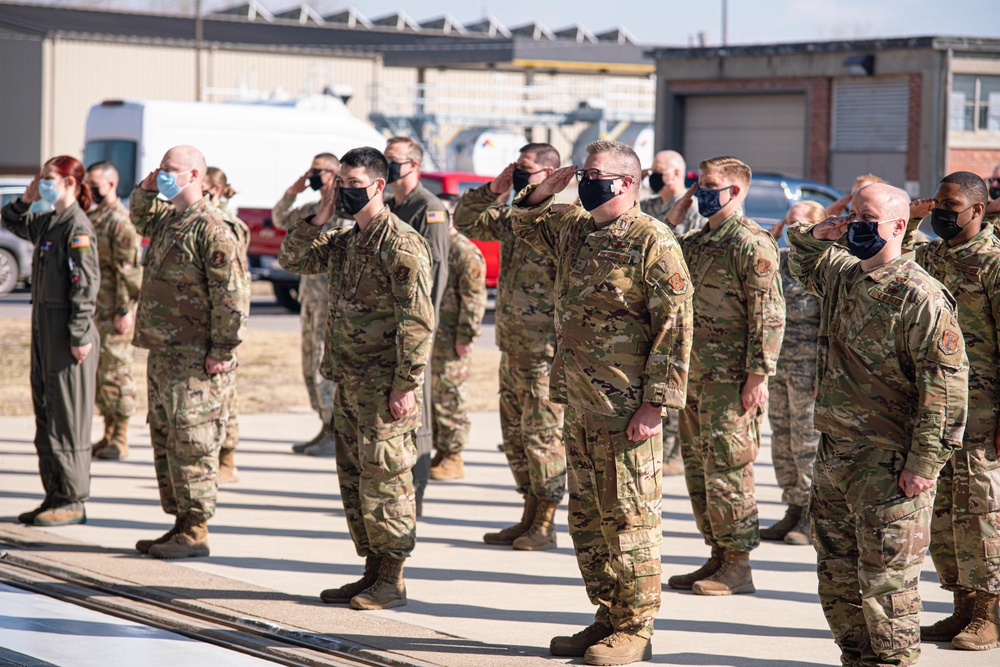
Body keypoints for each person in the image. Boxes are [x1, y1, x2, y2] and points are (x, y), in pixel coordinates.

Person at [513, 140, 693, 665]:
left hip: (627, 407)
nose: (583, 181)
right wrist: (539, 192)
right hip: (580, 401)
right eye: (583, 173)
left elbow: (675, 328)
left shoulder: (651, 240)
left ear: (628, 183)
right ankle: (607, 615)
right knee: (588, 520)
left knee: (630, 519)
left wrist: (655, 404)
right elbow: (519, 227)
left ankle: (636, 628)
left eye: (594, 174)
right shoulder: (574, 227)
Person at [789, 183, 969, 666]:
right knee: (838, 577)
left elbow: (946, 391)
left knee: (887, 587)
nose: (858, 227)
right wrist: (821, 231)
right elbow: (800, 261)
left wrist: (924, 464)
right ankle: (857, 658)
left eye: (868, 219)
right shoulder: (844, 275)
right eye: (853, 216)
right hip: (835, 455)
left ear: (897, 226)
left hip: (888, 463)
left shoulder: (921, 296)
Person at [279, 146, 434, 610]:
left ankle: (392, 578)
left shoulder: (401, 244)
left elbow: (418, 321)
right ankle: (371, 571)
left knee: (387, 481)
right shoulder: (346, 239)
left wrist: (405, 385)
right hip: (350, 382)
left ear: (378, 186)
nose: (344, 191)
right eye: (339, 184)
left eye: (351, 185)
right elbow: (292, 257)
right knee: (355, 482)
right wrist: (321, 214)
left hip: (386, 388)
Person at [666, 156, 785, 597]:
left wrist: (758, 375)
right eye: (698, 183)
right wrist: (673, 217)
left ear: (736, 191)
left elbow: (768, 315)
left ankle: (738, 565)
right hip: (695, 376)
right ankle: (716, 554)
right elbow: (666, 263)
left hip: (732, 381)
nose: (700, 191)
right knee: (700, 471)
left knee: (730, 470)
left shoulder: (751, 243)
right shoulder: (700, 241)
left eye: (709, 184)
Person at [130, 145, 249, 559]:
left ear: (196, 175)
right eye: (161, 168)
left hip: (197, 356)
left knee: (193, 441)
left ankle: (195, 529)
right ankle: (180, 522)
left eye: (172, 170)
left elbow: (232, 296)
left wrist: (222, 348)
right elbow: (140, 217)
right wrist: (147, 189)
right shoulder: (170, 219)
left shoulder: (213, 227)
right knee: (165, 438)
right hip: (164, 350)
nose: (163, 174)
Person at [453, 143, 566, 551]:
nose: (518, 174)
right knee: (515, 436)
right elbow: (465, 220)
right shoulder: (512, 216)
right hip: (513, 345)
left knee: (542, 436)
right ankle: (528, 513)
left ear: (550, 174)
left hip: (545, 351)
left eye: (526, 169)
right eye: (516, 168)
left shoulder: (560, 220)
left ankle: (547, 521)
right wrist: (495, 187)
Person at [914, 172, 1000, 651]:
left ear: (978, 211)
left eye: (951, 205)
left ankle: (989, 613)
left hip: (982, 410)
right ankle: (961, 606)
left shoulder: (993, 264)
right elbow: (890, 258)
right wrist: (910, 218)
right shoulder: (929, 257)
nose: (942, 212)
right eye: (938, 204)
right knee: (943, 513)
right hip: (934, 411)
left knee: (980, 511)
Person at [2, 156, 100, 527]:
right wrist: (26, 199)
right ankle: (54, 494)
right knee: (46, 412)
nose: (43, 184)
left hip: (67, 332)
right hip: (45, 328)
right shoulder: (48, 223)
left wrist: (77, 334)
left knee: (68, 417)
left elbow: (86, 284)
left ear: (71, 184)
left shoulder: (77, 227)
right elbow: (10, 220)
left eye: (49, 179)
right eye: (42, 179)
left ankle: (73, 499)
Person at [383, 137, 450, 513]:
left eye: (395, 160)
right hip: (389, 323)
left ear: (414, 164)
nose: (389, 166)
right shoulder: (393, 205)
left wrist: (424, 327)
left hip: (414, 326)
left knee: (415, 410)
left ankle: (417, 492)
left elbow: (435, 273)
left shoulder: (429, 208)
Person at [272, 153, 347, 457]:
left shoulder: (345, 213)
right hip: (311, 302)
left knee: (324, 366)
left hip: (333, 305)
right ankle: (324, 425)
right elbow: (279, 218)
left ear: (335, 174)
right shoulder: (311, 210)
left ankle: (335, 431)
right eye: (311, 170)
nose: (314, 175)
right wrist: (294, 190)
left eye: (319, 171)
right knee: (308, 367)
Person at [640, 149, 707, 477]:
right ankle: (659, 449)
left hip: (679, 303)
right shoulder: (649, 205)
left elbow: (685, 252)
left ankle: (674, 454)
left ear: (678, 174)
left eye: (660, 173)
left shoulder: (694, 210)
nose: (654, 177)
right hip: (648, 303)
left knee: (677, 377)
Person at [762, 201, 824, 545]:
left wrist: (823, 374)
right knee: (782, 439)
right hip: (778, 364)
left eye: (799, 224)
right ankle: (793, 507)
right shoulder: (781, 261)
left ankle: (812, 516)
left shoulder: (823, 265)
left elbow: (831, 324)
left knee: (806, 442)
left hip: (808, 367)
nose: (792, 229)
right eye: (788, 223)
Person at [85, 161, 141, 461]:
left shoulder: (120, 220)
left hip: (114, 309)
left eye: (94, 183)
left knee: (117, 372)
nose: (90, 188)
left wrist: (123, 309)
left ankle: (120, 437)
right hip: (96, 308)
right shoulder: (95, 216)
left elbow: (128, 270)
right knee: (100, 373)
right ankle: (107, 432)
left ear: (110, 183)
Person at [203, 167, 251, 484]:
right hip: (199, 320)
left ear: (217, 190)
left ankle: (227, 459)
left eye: (205, 189)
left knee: (225, 395)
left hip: (222, 321)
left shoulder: (227, 225)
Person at [428, 224, 487, 480]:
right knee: (435, 395)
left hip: (452, 338)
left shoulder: (464, 251)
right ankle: (441, 451)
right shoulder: (434, 245)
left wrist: (466, 336)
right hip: (435, 336)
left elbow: (474, 298)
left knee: (450, 395)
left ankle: (454, 455)